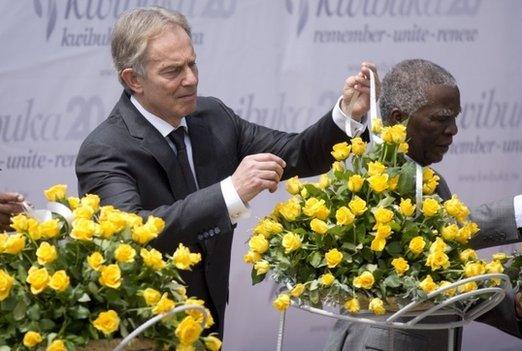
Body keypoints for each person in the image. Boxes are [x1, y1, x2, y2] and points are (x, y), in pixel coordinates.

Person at [75, 6, 376, 337]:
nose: (190, 79)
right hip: (142, 331)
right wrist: (231, 192)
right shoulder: (105, 148)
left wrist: (347, 114)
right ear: (133, 79)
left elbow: (297, 154)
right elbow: (130, 237)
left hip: (210, 321)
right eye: (173, 71)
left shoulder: (213, 116)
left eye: (192, 64)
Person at [323, 59, 522, 351]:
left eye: (455, 118)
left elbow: (439, 274)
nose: (453, 129)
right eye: (441, 118)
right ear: (397, 117)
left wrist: (513, 305)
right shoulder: (376, 174)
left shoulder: (429, 180)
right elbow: (445, 237)